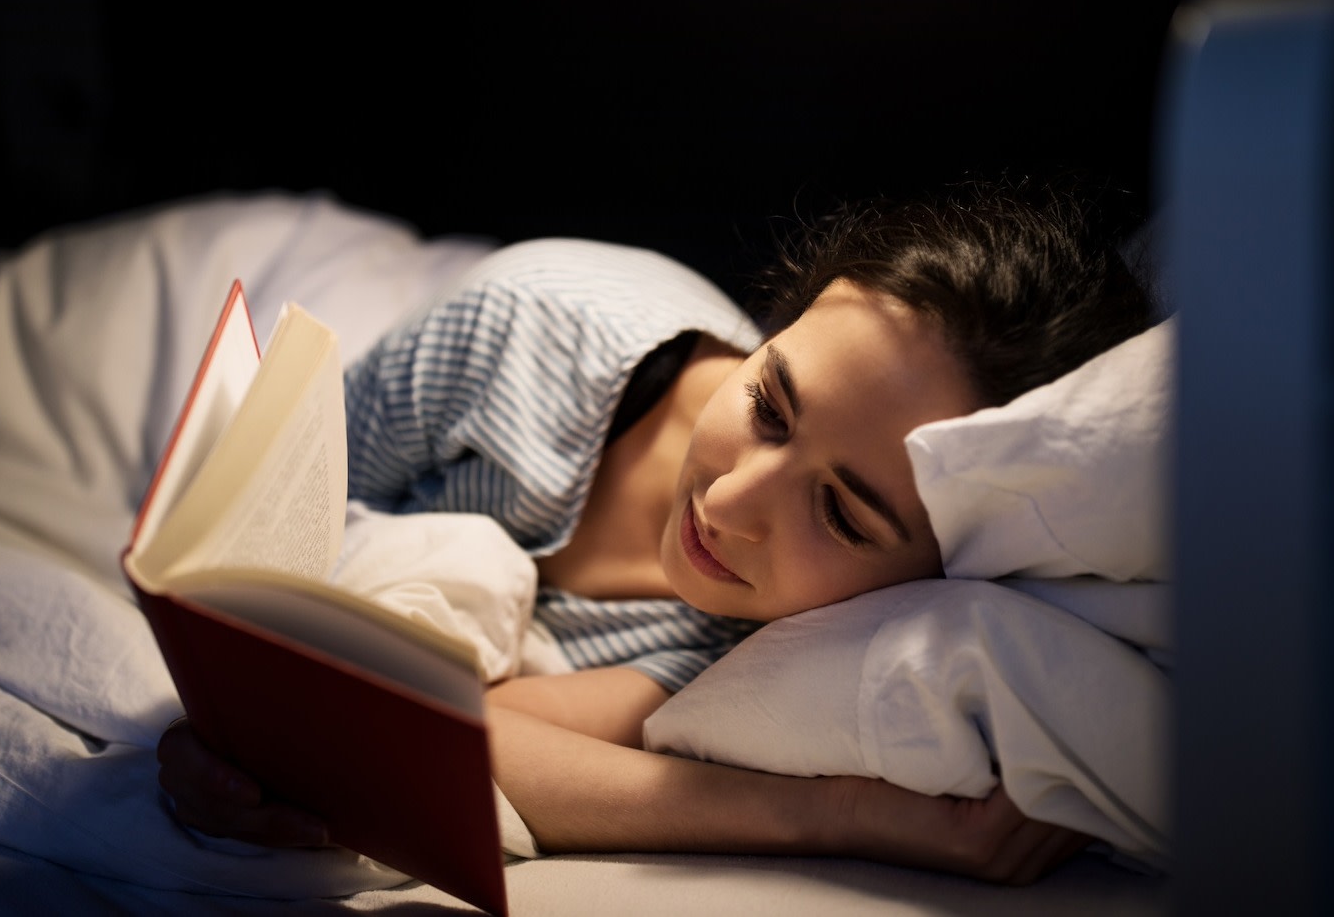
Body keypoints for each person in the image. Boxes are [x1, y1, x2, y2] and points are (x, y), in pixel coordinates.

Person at [156, 177, 1156, 885]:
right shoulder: (532, 323)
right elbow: (268, 497)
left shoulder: (776, 650)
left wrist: (855, 815)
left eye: (841, 512)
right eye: (770, 403)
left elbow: (446, 741)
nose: (727, 507)